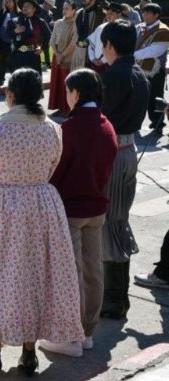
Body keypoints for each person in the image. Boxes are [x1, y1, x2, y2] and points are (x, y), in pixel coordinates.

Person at [0, 68, 84, 377]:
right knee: (34, 276)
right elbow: (50, 167)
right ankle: (29, 351)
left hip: (0, 210)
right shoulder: (52, 130)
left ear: (10, 95)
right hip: (41, 206)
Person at [44, 69, 118, 356]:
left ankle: (71, 337)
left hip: (71, 209)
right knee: (92, 272)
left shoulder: (70, 128)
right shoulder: (106, 124)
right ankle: (86, 332)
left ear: (76, 93)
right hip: (96, 207)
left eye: (67, 90)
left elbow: (56, 170)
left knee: (71, 274)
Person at [98, 20, 150, 319]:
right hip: (127, 150)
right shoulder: (138, 73)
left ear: (109, 45)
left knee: (112, 223)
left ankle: (114, 299)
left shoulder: (116, 74)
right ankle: (117, 296)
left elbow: (102, 116)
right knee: (116, 220)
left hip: (115, 152)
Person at [134, 2, 169, 131]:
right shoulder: (139, 27)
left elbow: (155, 51)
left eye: (147, 13)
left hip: (154, 70)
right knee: (137, 96)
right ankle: (134, 122)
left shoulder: (163, 30)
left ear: (156, 15)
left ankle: (157, 123)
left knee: (155, 97)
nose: (144, 15)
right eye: (143, 12)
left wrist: (133, 55)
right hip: (138, 68)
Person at [48, 0, 78, 115]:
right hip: (57, 57)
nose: (64, 11)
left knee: (67, 83)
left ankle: (68, 109)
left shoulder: (75, 24)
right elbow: (52, 40)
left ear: (74, 10)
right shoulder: (58, 23)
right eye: (64, 8)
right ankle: (59, 107)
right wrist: (57, 54)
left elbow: (73, 43)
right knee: (57, 83)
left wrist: (63, 55)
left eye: (68, 8)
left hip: (69, 57)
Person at [71, 0, 106, 70]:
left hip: (93, 56)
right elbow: (75, 34)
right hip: (78, 53)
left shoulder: (102, 15)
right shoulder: (78, 13)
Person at [8, 0, 44, 74]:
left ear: (34, 9)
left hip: (33, 55)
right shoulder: (14, 21)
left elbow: (49, 36)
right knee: (18, 82)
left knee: (33, 81)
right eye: (24, 6)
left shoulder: (39, 22)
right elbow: (7, 35)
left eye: (28, 6)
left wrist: (42, 47)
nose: (25, 8)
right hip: (18, 55)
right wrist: (15, 31)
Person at [0, 0, 19, 87]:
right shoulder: (3, 12)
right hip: (3, 40)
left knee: (13, 61)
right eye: (6, 2)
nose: (8, 4)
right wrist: (3, 9)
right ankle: (1, 78)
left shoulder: (18, 13)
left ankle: (15, 79)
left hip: (13, 41)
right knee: (2, 60)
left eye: (9, 2)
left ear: (14, 2)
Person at [39, 0, 56, 68]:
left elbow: (50, 21)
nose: (51, 8)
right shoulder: (38, 10)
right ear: (46, 4)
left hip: (46, 33)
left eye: (51, 6)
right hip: (38, 32)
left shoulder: (50, 13)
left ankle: (47, 63)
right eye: (50, 6)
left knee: (46, 47)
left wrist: (53, 23)